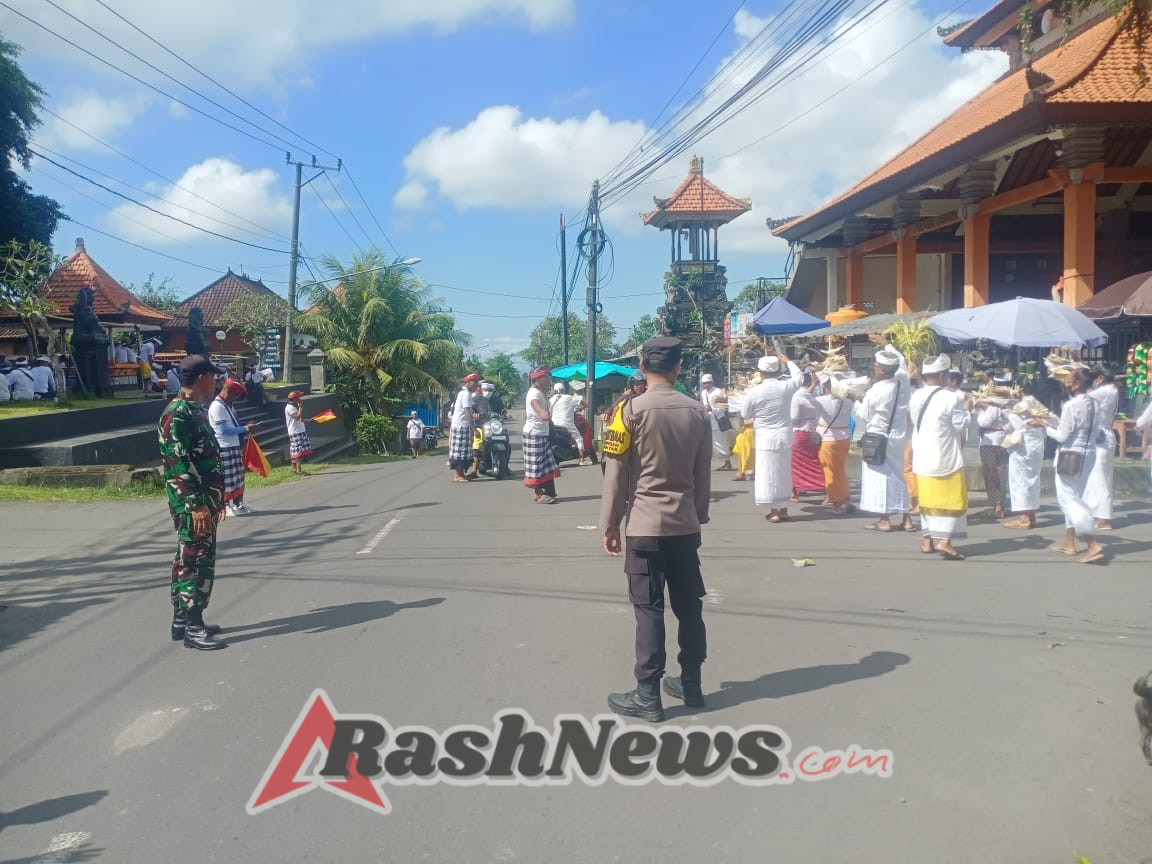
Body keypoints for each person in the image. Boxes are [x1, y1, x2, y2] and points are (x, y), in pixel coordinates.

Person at [600, 336, 712, 722]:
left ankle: (648, 695)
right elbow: (702, 472)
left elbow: (615, 473)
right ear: (678, 368)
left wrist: (610, 524)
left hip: (645, 527)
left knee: (649, 610)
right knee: (689, 606)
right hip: (684, 525)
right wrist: (698, 514)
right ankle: (692, 683)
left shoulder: (629, 412)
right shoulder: (697, 411)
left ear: (643, 368)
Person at [157, 355, 228, 651]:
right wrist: (197, 503)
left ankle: (182, 620)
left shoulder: (193, 409)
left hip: (204, 499)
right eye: (213, 377)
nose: (217, 382)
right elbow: (177, 461)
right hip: (193, 503)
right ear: (202, 378)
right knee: (196, 561)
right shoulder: (178, 413)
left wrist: (216, 499)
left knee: (188, 556)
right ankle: (194, 627)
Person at [1031, 367, 1104, 564]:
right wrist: (1055, 421)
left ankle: (1092, 542)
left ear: (1077, 384)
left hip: (1070, 454)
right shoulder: (1096, 403)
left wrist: (1044, 426)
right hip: (1089, 454)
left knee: (1069, 500)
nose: (1067, 382)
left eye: (1070, 380)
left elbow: (1063, 436)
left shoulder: (1072, 406)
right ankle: (1069, 542)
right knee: (1074, 496)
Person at [909, 355, 970, 560]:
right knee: (954, 501)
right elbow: (961, 425)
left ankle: (928, 540)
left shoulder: (916, 396)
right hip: (945, 456)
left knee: (927, 502)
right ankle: (945, 541)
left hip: (923, 456)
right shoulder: (950, 398)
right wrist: (968, 409)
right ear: (943, 375)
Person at [851, 342, 913, 532]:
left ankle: (884, 519)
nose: (874, 369)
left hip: (879, 436)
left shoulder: (876, 391)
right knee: (899, 475)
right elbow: (901, 360)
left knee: (880, 478)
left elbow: (864, 415)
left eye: (877, 366)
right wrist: (886, 343)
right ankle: (907, 519)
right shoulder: (902, 380)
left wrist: (855, 399)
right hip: (899, 435)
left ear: (884, 371)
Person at [741, 355, 804, 523]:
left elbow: (745, 414)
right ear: (777, 371)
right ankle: (783, 509)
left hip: (765, 438)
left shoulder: (754, 391)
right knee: (783, 473)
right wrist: (789, 361)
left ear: (760, 373)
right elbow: (800, 377)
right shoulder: (785, 386)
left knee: (768, 474)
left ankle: (774, 511)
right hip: (784, 436)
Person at [209, 378, 257, 516]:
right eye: (235, 395)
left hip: (234, 445)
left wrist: (245, 425)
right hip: (224, 447)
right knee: (228, 479)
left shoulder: (228, 405)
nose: (236, 398)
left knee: (238, 477)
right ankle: (226, 506)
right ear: (228, 391)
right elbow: (224, 430)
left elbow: (233, 425)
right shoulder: (217, 406)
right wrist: (245, 428)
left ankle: (238, 504)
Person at [1002, 382, 1046, 530]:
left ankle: (1024, 518)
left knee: (1020, 478)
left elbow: (1016, 425)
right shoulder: (1039, 403)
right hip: (1037, 441)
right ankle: (1031, 516)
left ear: (1020, 389)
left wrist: (1007, 411)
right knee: (1032, 478)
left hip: (1025, 443)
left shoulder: (1022, 404)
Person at [1084, 365, 1118, 531]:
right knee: (1095, 477)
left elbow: (1083, 397)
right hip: (1102, 436)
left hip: (1102, 438)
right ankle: (1096, 513)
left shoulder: (1105, 391)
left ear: (1101, 379)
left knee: (1101, 479)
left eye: (1096, 378)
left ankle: (1104, 518)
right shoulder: (1112, 390)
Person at [815, 371, 855, 513]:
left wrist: (813, 383)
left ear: (827, 385)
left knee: (831, 471)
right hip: (844, 438)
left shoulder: (822, 400)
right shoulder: (849, 400)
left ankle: (838, 501)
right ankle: (843, 497)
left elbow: (803, 398)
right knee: (840, 470)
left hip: (829, 439)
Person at [976, 379, 1013, 520]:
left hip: (989, 442)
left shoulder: (994, 403)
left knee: (991, 474)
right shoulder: (1009, 403)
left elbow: (984, 422)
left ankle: (997, 505)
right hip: (1003, 440)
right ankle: (1000, 502)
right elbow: (1011, 425)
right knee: (1000, 472)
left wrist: (980, 410)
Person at [523, 367, 560, 502]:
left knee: (546, 465)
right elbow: (534, 403)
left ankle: (549, 492)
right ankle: (539, 494)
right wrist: (541, 412)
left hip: (542, 433)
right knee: (537, 466)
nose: (547, 380)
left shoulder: (542, 392)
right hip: (534, 434)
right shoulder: (534, 393)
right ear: (537, 379)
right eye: (545, 377)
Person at [790, 372, 826, 500]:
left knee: (796, 464)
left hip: (799, 431)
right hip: (812, 431)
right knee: (811, 461)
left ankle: (795, 492)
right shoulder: (816, 394)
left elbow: (794, 417)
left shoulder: (798, 395)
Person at [448, 373, 480, 482]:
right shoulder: (465, 394)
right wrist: (474, 428)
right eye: (475, 383)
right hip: (460, 426)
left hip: (462, 426)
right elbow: (467, 412)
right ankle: (458, 475)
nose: (476, 385)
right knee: (460, 452)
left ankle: (461, 474)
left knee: (464, 452)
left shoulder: (465, 393)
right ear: (469, 382)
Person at [699, 374, 733, 471]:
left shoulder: (718, 392)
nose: (706, 385)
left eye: (707, 383)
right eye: (704, 383)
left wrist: (712, 409)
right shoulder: (703, 393)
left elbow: (724, 407)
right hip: (709, 420)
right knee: (714, 443)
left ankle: (728, 462)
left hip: (719, 421)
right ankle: (725, 462)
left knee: (722, 442)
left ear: (712, 382)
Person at [551, 381, 586, 465]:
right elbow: (584, 403)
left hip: (553, 424)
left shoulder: (551, 400)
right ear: (563, 390)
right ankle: (582, 460)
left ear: (554, 390)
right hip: (566, 423)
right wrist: (582, 407)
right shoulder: (569, 397)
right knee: (579, 439)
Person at [285, 390, 313, 475]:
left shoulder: (293, 406)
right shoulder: (290, 408)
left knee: (297, 450)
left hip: (300, 430)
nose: (300, 399)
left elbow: (298, 419)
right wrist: (300, 408)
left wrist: (305, 420)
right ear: (295, 399)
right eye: (298, 397)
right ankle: (298, 469)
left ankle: (295, 469)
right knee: (297, 451)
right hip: (295, 432)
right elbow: (297, 417)